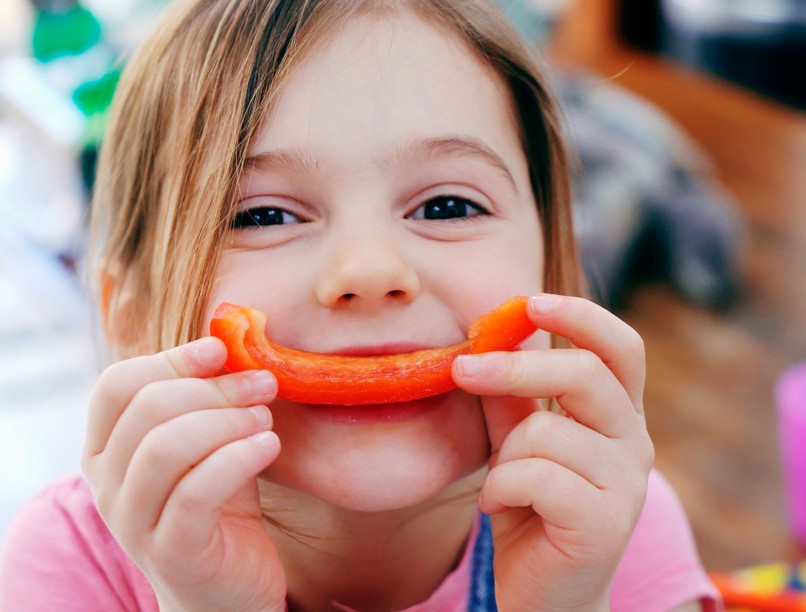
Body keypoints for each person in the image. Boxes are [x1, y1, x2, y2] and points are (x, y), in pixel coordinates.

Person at [0, 0, 722, 610]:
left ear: (554, 272)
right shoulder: (70, 564)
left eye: (447, 205)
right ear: (129, 319)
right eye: (263, 215)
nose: (372, 271)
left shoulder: (608, 525)